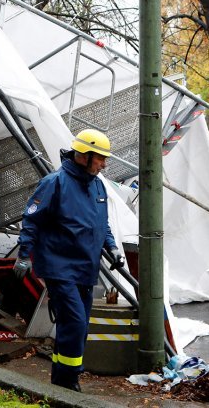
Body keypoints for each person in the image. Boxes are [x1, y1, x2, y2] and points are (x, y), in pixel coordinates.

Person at [13, 128, 125, 392]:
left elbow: (102, 224)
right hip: (59, 267)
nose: (104, 164)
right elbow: (32, 220)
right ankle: (69, 381)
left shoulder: (97, 185)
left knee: (77, 326)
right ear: (83, 156)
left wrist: (113, 249)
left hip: (85, 268)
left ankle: (61, 379)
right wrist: (23, 256)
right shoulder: (55, 183)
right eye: (100, 158)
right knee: (74, 322)